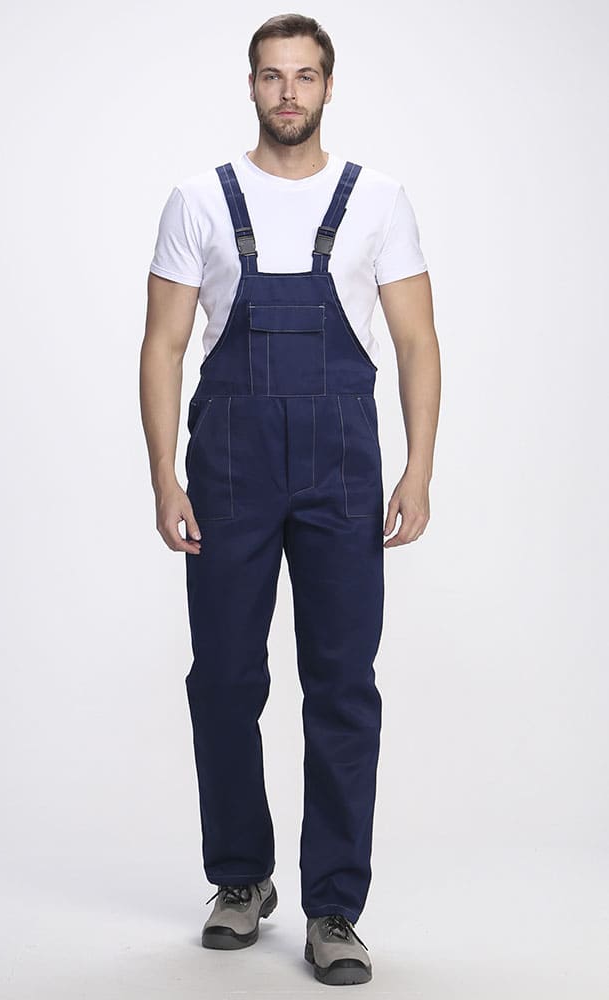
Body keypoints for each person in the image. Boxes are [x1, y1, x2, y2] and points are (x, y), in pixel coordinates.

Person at [140, 12, 440, 988]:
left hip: (342, 470)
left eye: (305, 76)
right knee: (224, 678)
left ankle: (333, 906)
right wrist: (164, 475)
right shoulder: (197, 200)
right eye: (273, 76)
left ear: (328, 85)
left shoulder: (379, 199)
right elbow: (164, 345)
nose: (288, 92)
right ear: (252, 85)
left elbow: (416, 342)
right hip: (228, 471)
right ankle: (241, 878)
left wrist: (419, 469)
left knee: (342, 685)